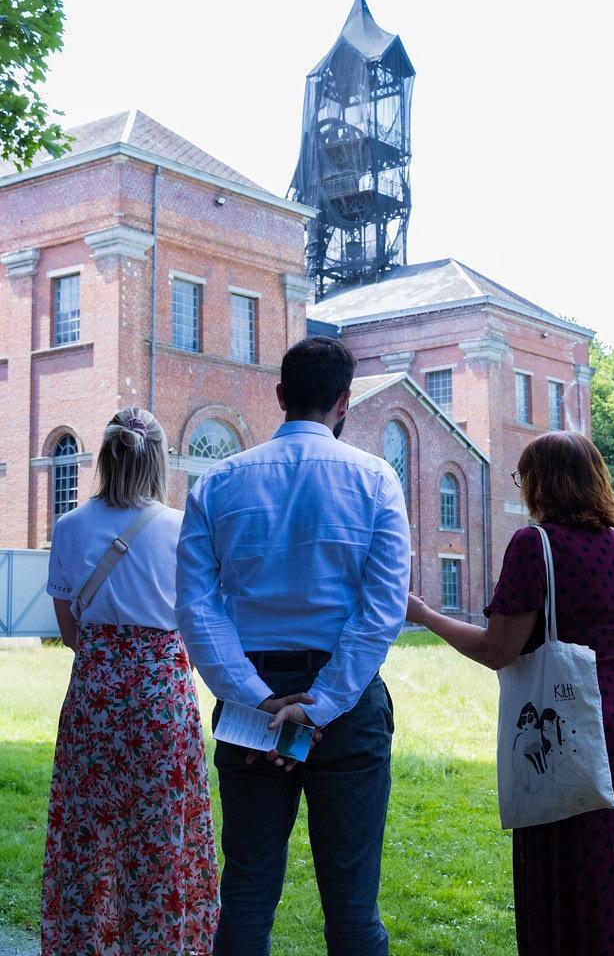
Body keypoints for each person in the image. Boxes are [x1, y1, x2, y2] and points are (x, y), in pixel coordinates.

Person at [176, 336, 411, 956]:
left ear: (280, 395)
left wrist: (258, 701)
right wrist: (320, 705)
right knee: (353, 905)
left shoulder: (218, 482)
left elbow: (197, 606)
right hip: (346, 710)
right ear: (345, 401)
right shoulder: (376, 479)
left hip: (253, 703)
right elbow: (383, 607)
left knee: (247, 893)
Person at [407, 431, 614, 956]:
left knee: (573, 854)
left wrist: (424, 615)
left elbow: (497, 649)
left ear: (540, 483)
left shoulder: (535, 546)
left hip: (566, 718)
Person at [42, 407, 219, 956]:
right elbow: (199, 622)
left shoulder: (69, 527)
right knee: (162, 833)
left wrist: (111, 659)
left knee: (89, 834)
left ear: (104, 457)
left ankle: (86, 944)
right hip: (162, 701)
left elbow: (69, 631)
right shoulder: (181, 528)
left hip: (94, 700)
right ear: (158, 461)